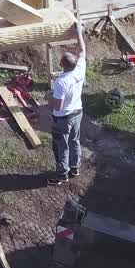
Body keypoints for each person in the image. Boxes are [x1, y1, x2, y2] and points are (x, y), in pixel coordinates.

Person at [48, 48, 87, 186]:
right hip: (77, 112)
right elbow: (82, 51)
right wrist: (79, 32)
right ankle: (74, 168)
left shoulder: (61, 82)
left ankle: (61, 175)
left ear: (61, 64)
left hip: (63, 118)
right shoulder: (80, 69)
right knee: (74, 140)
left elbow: (58, 106)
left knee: (61, 146)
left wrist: (49, 98)